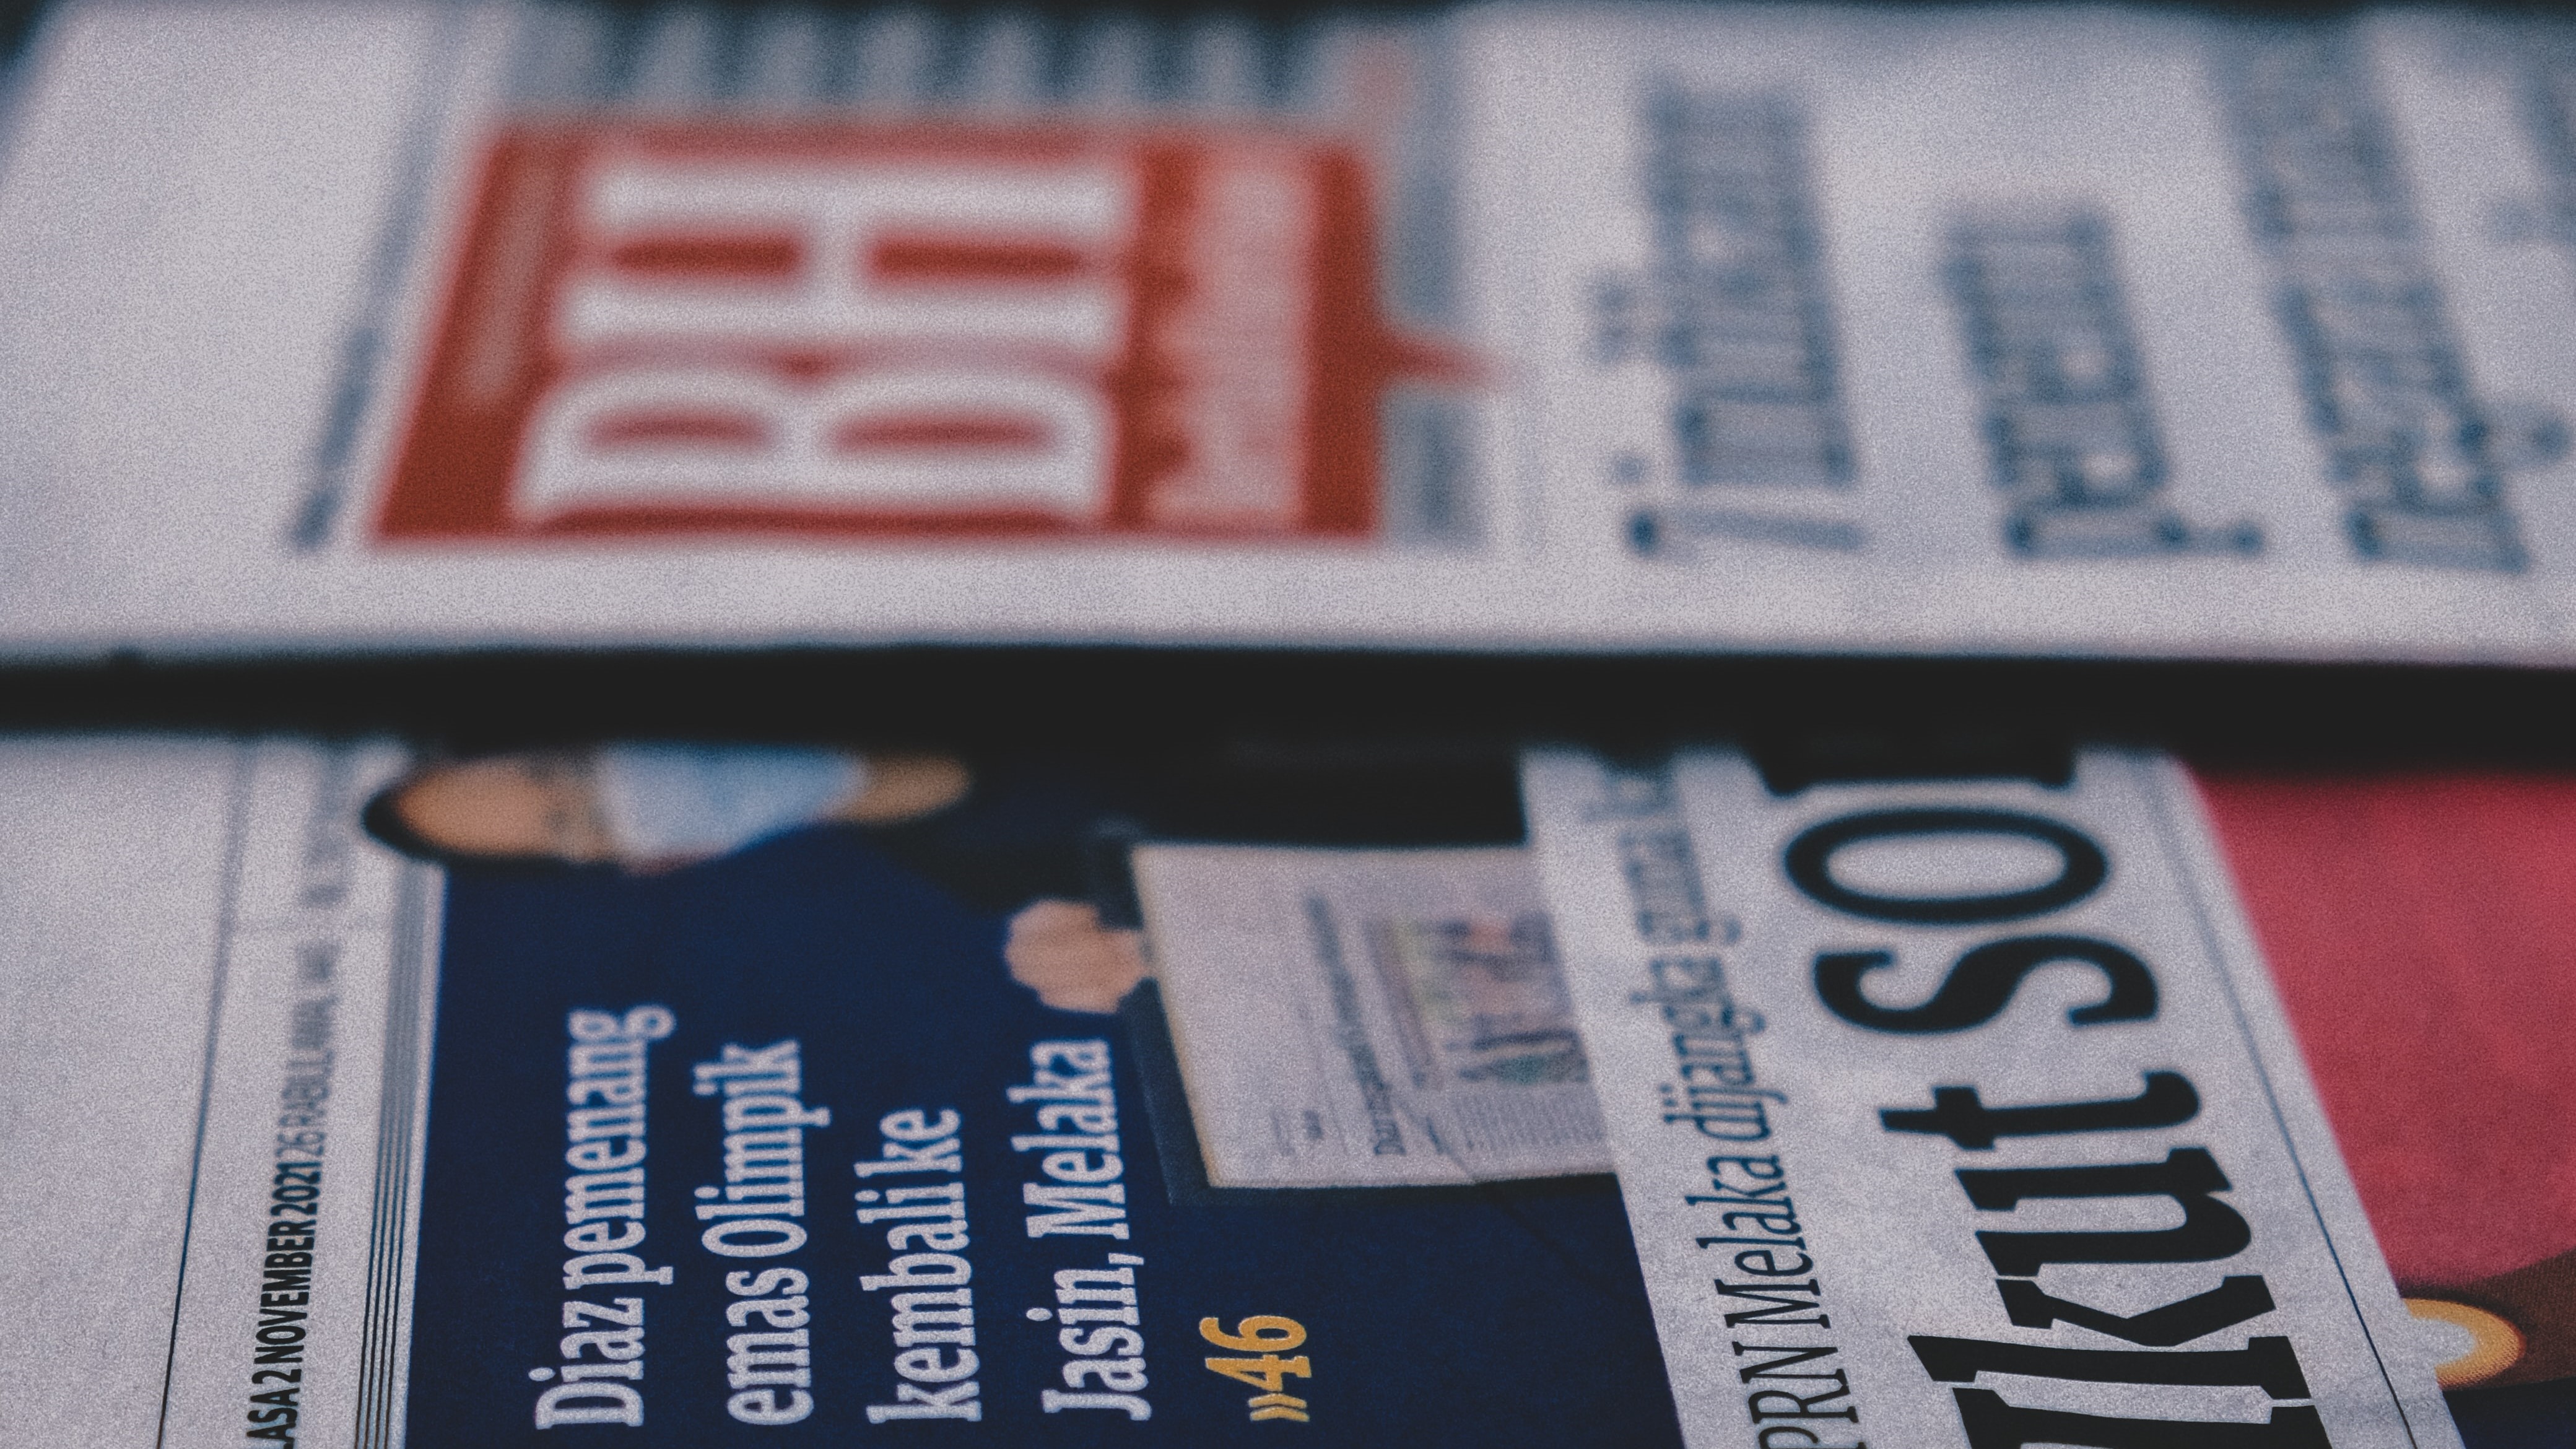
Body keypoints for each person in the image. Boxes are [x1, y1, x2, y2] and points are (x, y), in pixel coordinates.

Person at [362, 742, 1147, 1014]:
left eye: (558, 767)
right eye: (579, 825)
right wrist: (1142, 959)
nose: (607, 795)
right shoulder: (1020, 890)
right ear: (665, 860)